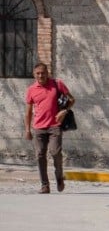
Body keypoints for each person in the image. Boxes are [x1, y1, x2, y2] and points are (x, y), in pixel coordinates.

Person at [24, 63, 73, 194]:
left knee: (55, 152)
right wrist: (27, 130)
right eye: (38, 73)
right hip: (38, 128)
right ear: (34, 75)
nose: (41, 75)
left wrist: (64, 111)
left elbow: (72, 99)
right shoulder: (31, 90)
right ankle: (45, 185)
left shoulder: (57, 84)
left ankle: (59, 177)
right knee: (40, 155)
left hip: (54, 126)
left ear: (47, 73)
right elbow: (28, 112)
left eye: (43, 73)